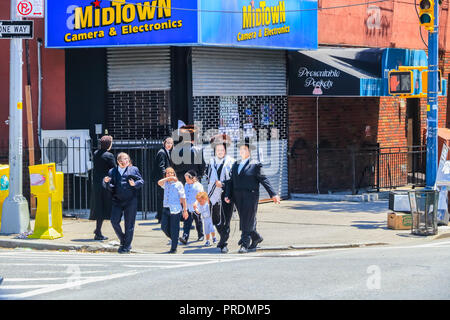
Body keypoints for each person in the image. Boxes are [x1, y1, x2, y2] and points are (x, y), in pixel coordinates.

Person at [225, 138, 281, 253]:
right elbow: (231, 181)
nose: (242, 151)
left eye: (244, 149)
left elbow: (264, 180)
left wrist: (273, 194)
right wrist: (228, 195)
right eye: (240, 149)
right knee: (245, 219)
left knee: (247, 220)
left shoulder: (255, 165)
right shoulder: (236, 164)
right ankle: (256, 238)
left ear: (249, 151)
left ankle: (244, 244)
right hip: (238, 196)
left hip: (251, 196)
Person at [103, 152, 144, 254]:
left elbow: (141, 181)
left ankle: (126, 246)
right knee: (114, 221)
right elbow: (109, 187)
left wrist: (135, 184)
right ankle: (123, 239)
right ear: (118, 161)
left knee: (129, 224)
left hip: (130, 200)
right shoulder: (112, 171)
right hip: (117, 200)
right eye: (122, 160)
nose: (124, 161)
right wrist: (107, 183)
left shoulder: (134, 169)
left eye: (126, 159)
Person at [206, 134, 236, 254]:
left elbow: (233, 180)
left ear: (225, 150)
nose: (220, 151)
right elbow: (208, 178)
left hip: (227, 195)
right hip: (213, 195)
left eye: (222, 150)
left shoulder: (231, 162)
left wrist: (223, 184)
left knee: (226, 220)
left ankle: (223, 243)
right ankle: (223, 238)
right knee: (215, 220)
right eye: (218, 150)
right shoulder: (211, 162)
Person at [89, 135, 116, 241]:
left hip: (96, 183)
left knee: (99, 207)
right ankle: (98, 232)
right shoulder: (109, 155)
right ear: (109, 144)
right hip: (105, 184)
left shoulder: (96, 153)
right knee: (105, 207)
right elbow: (114, 169)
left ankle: (98, 230)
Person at [158, 167, 188, 254]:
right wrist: (168, 178)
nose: (169, 174)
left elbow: (183, 198)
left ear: (174, 174)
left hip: (175, 209)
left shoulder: (178, 184)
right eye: (167, 173)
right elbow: (159, 183)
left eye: (171, 173)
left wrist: (185, 210)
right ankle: (175, 239)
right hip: (166, 208)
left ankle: (173, 248)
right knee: (164, 227)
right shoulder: (166, 183)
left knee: (174, 228)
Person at [179, 170, 204, 245]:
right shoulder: (186, 185)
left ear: (193, 178)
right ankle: (185, 237)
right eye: (185, 179)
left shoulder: (198, 185)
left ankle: (200, 235)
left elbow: (200, 195)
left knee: (198, 222)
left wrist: (196, 203)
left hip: (196, 207)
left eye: (187, 179)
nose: (186, 180)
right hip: (188, 208)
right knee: (187, 223)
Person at [153, 137, 174, 223]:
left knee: (162, 198)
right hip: (162, 180)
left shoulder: (166, 152)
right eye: (168, 143)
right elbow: (161, 166)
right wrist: (165, 178)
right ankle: (160, 217)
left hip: (162, 179)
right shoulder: (162, 152)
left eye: (171, 143)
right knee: (162, 198)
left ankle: (160, 216)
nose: (169, 145)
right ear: (164, 143)